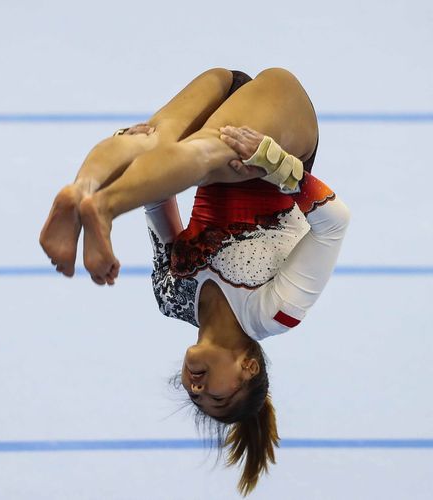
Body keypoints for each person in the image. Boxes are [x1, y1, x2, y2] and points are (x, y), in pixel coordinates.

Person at [40, 68, 350, 495]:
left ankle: (83, 191)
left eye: (195, 397)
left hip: (217, 129)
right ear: (249, 367)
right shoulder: (273, 313)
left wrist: (130, 153)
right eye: (217, 397)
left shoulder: (172, 296)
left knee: (152, 142)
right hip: (281, 138)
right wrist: (277, 164)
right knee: (211, 155)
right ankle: (104, 208)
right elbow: (334, 224)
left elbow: (157, 196)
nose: (198, 388)